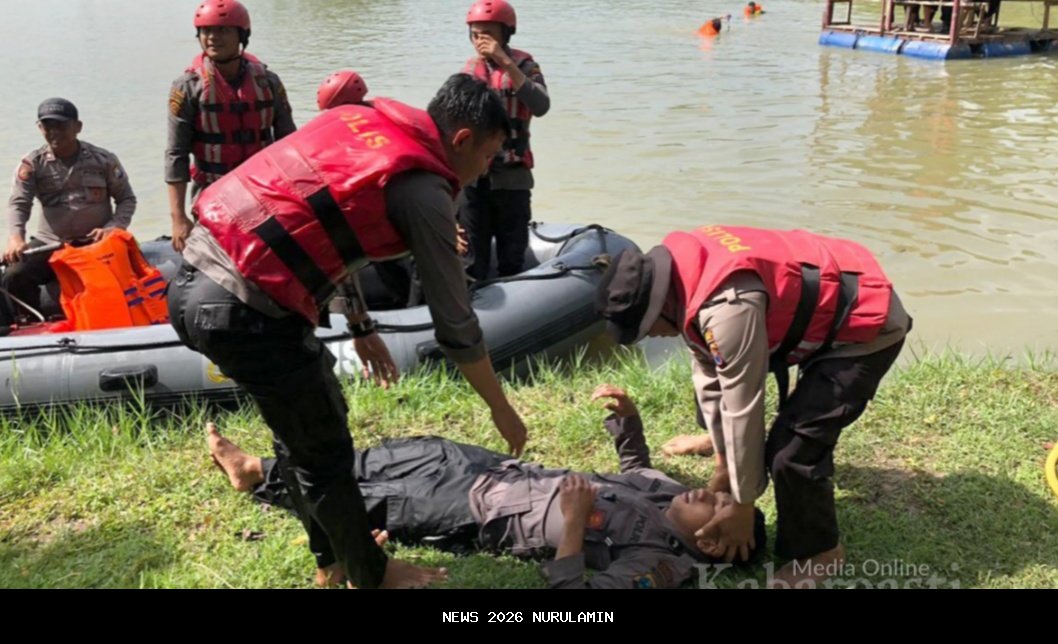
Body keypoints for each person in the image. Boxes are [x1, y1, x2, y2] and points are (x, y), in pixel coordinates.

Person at [168, 73, 529, 589]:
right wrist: (500, 406)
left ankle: (332, 560)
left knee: (305, 428)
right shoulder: (426, 190)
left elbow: (324, 220)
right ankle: (371, 575)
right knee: (324, 450)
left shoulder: (357, 121)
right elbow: (456, 322)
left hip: (193, 283)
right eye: (489, 155)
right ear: (462, 140)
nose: (485, 170)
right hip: (244, 308)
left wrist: (360, 325)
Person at [595, 225, 911, 586]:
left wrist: (743, 503)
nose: (654, 336)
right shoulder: (680, 277)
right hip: (817, 306)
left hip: (864, 327)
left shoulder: (728, 309)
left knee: (790, 451)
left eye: (650, 329)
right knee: (720, 403)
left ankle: (821, 552)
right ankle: (718, 447)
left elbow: (744, 405)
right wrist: (723, 463)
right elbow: (709, 372)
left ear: (659, 306)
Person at [208, 384, 765, 588]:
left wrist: (573, 526)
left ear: (710, 545)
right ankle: (266, 470)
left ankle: (256, 473)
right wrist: (627, 419)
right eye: (721, 495)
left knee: (374, 497)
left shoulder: (657, 565)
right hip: (493, 469)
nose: (711, 493)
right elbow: (637, 464)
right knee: (399, 453)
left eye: (715, 508)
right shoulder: (668, 496)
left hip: (474, 513)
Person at [165, 0, 295, 252]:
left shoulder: (268, 82)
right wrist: (178, 218)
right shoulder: (187, 87)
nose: (212, 37)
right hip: (212, 193)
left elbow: (287, 142)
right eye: (206, 31)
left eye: (223, 30)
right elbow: (175, 155)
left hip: (263, 190)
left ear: (241, 35)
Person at [3, 98, 136, 323]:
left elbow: (126, 199)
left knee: (126, 275)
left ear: (78, 126)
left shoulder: (103, 159)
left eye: (61, 125)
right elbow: (19, 204)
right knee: (14, 275)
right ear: (39, 128)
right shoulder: (32, 164)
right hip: (50, 243)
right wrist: (16, 238)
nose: (54, 132)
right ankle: (29, 327)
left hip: (96, 242)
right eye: (47, 126)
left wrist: (113, 227)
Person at [458, 0, 550, 280]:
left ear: (506, 33)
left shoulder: (525, 64)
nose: (480, 41)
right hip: (474, 179)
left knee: (512, 256)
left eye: (487, 34)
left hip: (512, 176)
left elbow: (541, 105)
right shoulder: (469, 70)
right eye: (475, 34)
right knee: (473, 260)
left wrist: (504, 61)